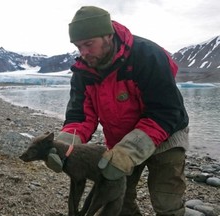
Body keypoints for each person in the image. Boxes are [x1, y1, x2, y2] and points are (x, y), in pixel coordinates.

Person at [49, 5, 189, 216]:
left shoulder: (147, 56)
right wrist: (63, 147)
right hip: (120, 139)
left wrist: (128, 152)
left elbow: (165, 112)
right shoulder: (83, 71)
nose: (84, 53)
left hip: (167, 134)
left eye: (89, 44)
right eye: (79, 47)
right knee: (117, 198)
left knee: (166, 200)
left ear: (108, 35)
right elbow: (80, 116)